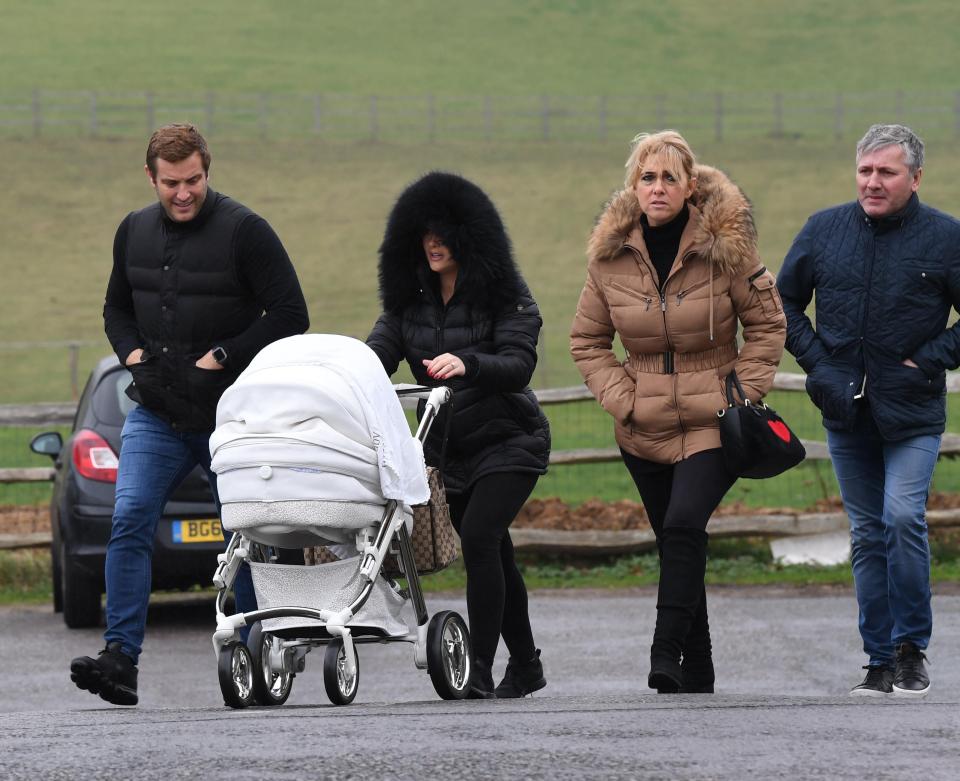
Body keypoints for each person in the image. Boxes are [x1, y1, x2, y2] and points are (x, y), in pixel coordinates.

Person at [70, 123, 309, 705]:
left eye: (194, 180)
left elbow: (290, 312)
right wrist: (131, 355)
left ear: (209, 170)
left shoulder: (246, 231)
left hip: (232, 416)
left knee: (243, 533)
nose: (184, 193)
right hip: (157, 413)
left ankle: (258, 651)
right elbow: (115, 307)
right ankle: (120, 659)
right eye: (172, 182)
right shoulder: (132, 232)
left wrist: (222, 355)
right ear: (150, 177)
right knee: (128, 519)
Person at [570, 131, 786, 693]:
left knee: (685, 523)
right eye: (648, 177)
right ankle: (702, 665)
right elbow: (588, 342)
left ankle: (664, 655)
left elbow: (767, 327)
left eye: (670, 177)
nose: (658, 187)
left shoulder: (727, 248)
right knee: (676, 542)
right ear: (634, 188)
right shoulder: (608, 259)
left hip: (713, 419)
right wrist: (625, 400)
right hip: (643, 425)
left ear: (691, 186)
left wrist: (739, 395)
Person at [778, 124, 960, 699]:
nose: (873, 182)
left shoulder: (946, 238)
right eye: (865, 170)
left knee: (901, 519)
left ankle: (912, 650)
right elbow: (781, 302)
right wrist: (819, 366)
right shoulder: (823, 230)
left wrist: (930, 361)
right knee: (867, 534)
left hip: (912, 413)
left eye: (886, 172)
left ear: (914, 177)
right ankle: (878, 661)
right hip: (845, 414)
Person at [366, 171, 551, 698]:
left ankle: (480, 669)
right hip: (450, 453)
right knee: (497, 552)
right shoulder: (408, 305)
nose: (433, 242)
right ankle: (528, 665)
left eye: (444, 232)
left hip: (510, 439)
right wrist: (339, 374)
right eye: (424, 232)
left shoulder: (506, 294)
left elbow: (519, 364)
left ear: (471, 236)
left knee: (480, 539)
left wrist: (467, 363)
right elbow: (373, 357)